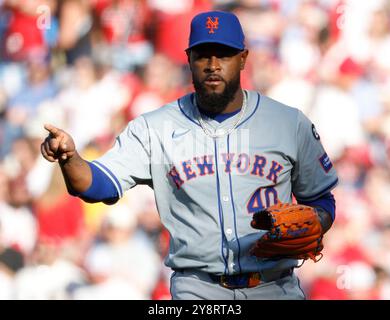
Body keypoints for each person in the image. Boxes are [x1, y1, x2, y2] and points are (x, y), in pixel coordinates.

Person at [41, 11, 338, 300]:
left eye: (223, 54)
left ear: (243, 58)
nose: (212, 65)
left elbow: (321, 198)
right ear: (189, 59)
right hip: (198, 289)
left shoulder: (288, 123)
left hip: (274, 287)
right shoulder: (154, 128)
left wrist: (319, 219)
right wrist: (70, 159)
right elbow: (95, 185)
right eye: (203, 55)